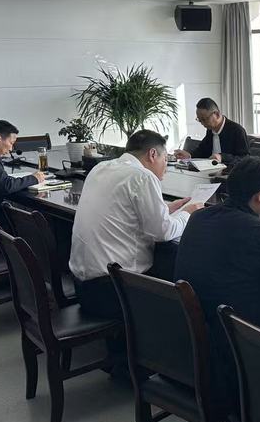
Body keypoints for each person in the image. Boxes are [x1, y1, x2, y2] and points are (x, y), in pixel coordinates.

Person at [175, 155, 260, 406]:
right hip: (235, 350)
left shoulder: (200, 218)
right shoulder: (259, 234)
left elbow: (236, 248)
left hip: (192, 343)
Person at [70, 129, 203, 320]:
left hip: (83, 287)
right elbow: (163, 232)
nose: (166, 166)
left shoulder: (101, 168)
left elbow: (124, 210)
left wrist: (167, 208)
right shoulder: (142, 176)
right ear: (152, 154)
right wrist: (187, 214)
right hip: (113, 292)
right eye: (166, 159)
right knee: (182, 280)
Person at [174, 97, 249, 164]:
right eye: (199, 120)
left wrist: (222, 157)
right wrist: (189, 155)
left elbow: (245, 159)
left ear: (217, 114)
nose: (202, 123)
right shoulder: (210, 130)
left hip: (230, 172)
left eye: (204, 119)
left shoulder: (237, 130)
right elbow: (202, 151)